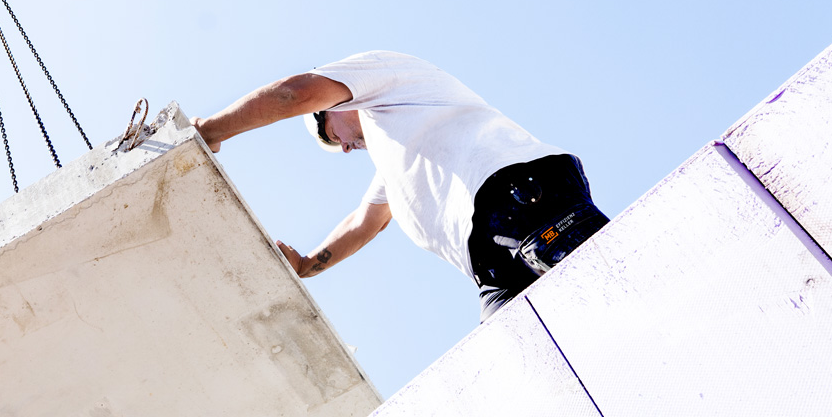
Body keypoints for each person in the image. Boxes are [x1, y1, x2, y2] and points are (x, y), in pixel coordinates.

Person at [193, 51, 608, 320]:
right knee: (551, 366)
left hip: (519, 194)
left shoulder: (383, 80)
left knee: (617, 292)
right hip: (489, 266)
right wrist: (306, 265)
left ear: (330, 109)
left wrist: (210, 131)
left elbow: (293, 94)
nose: (347, 148)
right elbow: (364, 224)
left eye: (335, 137)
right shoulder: (399, 162)